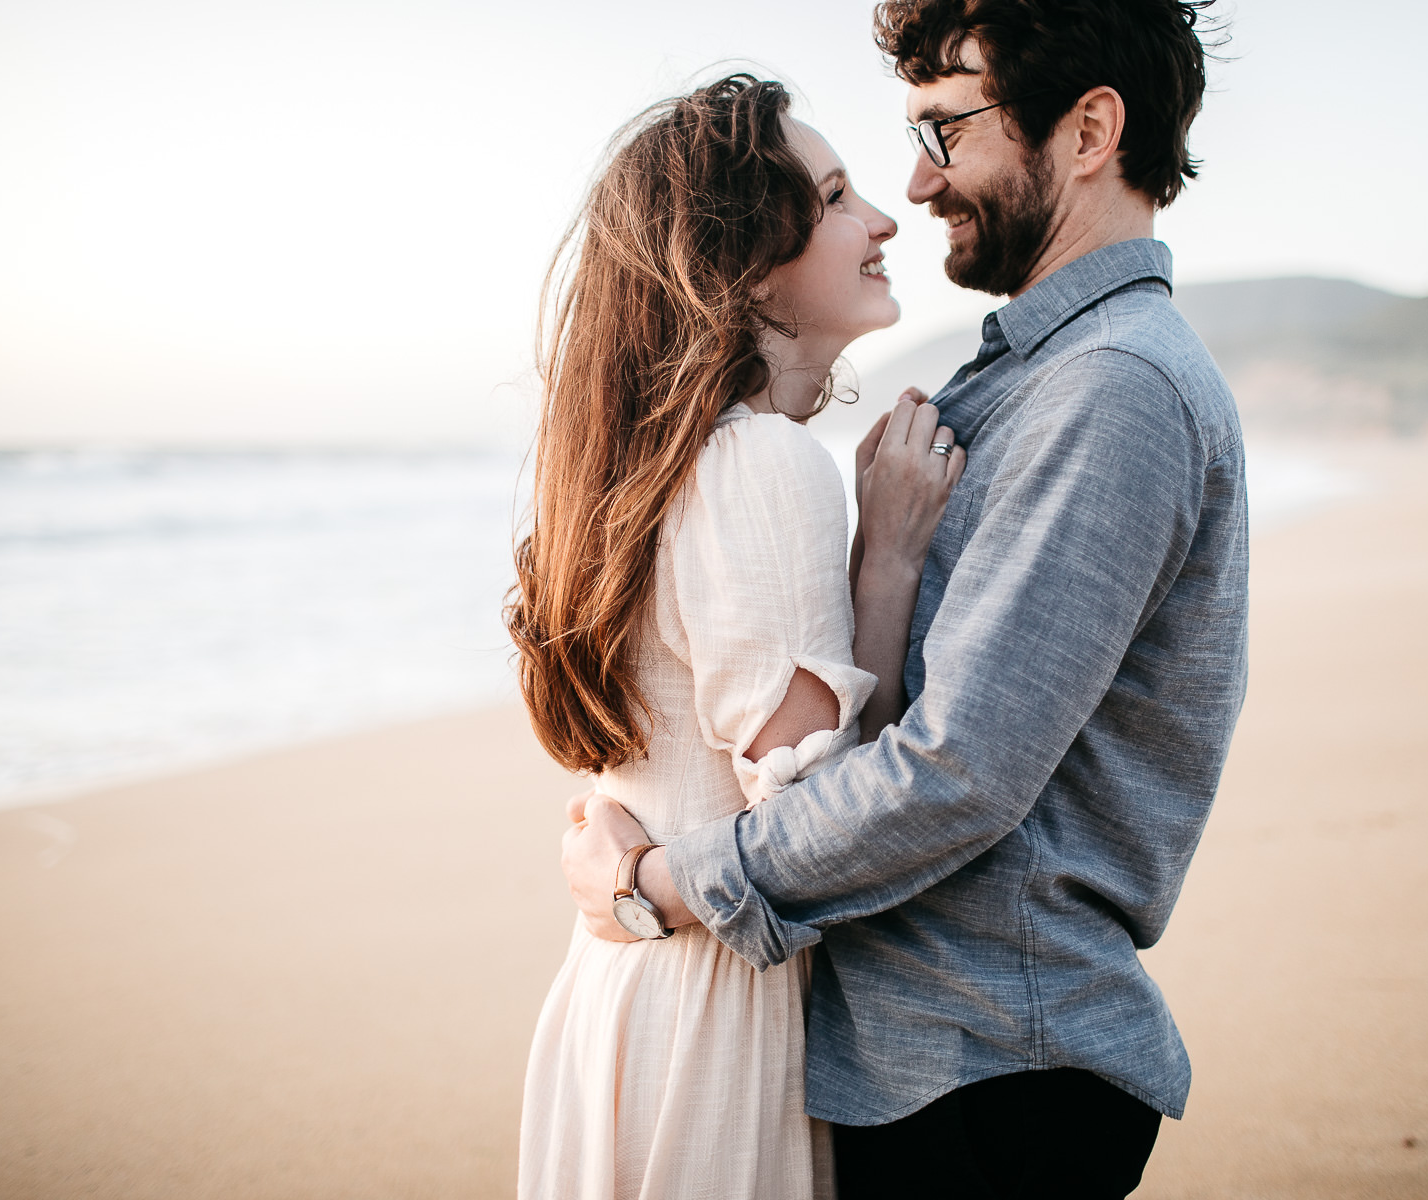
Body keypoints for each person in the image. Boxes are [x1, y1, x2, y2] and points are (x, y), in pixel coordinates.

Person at [560, 1, 1245, 1196]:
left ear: (1090, 133)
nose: (917, 187)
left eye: (946, 132)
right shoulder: (1035, 380)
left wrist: (661, 883)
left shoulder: (1111, 390)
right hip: (924, 1060)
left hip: (986, 1064)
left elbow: (955, 772)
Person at [507, 74, 967, 1199]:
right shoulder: (762, 460)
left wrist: (631, 880)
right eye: (836, 197)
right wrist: (889, 560)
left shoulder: (655, 468)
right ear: (748, 261)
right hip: (714, 1019)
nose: (884, 219)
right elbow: (824, 817)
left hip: (626, 995)